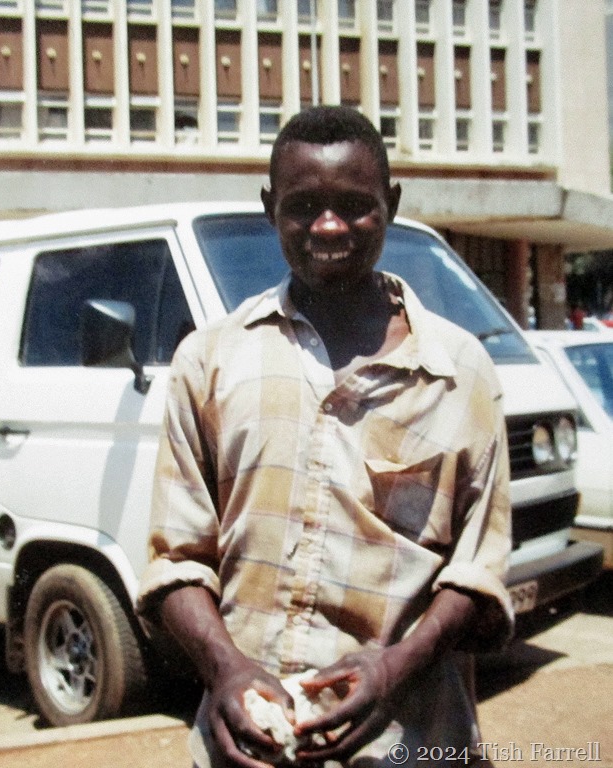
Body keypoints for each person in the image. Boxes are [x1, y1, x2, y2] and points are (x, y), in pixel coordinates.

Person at [137, 105, 514, 768]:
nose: (329, 226)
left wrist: (396, 667)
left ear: (391, 204)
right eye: (304, 206)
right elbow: (176, 561)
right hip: (246, 747)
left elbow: (477, 569)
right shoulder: (211, 360)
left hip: (408, 744)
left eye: (355, 206)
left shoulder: (460, 371)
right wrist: (226, 670)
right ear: (270, 208)